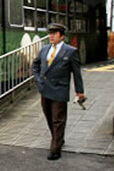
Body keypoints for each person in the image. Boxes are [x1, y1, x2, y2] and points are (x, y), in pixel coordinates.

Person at [32, 23, 85, 161]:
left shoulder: (70, 51)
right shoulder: (44, 50)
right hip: (45, 89)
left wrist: (80, 91)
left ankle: (55, 149)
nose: (51, 36)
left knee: (58, 120)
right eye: (50, 33)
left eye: (54, 34)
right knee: (49, 117)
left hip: (60, 90)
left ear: (62, 36)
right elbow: (36, 64)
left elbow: (76, 73)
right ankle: (58, 138)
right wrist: (38, 79)